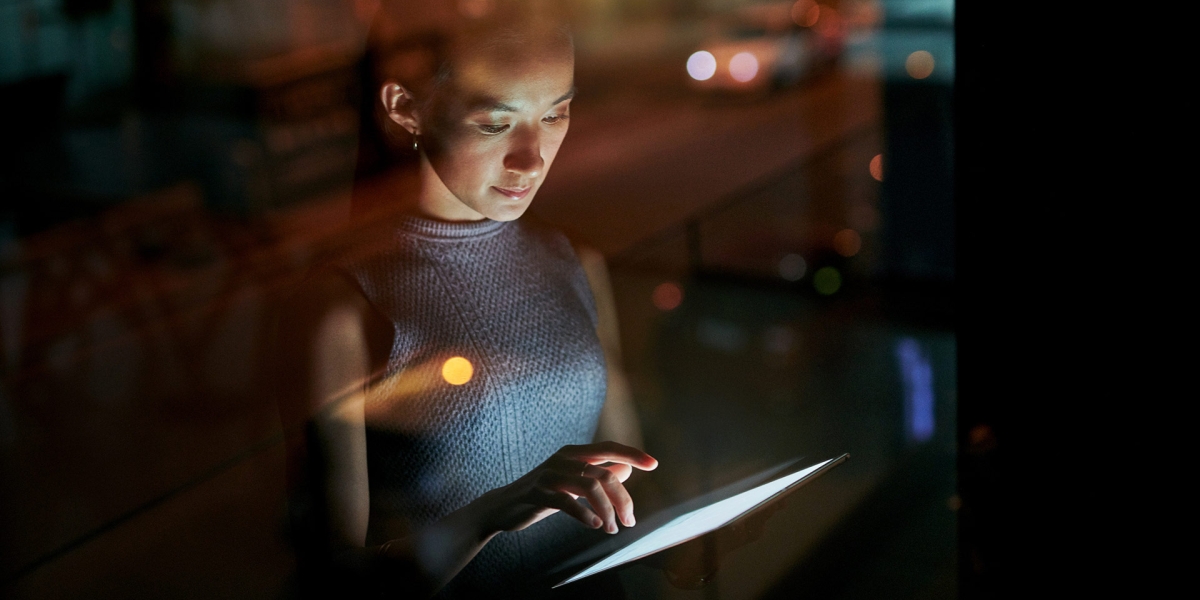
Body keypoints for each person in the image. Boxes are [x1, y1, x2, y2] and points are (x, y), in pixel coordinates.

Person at [271, 4, 656, 599]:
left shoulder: (575, 262)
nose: (532, 158)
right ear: (405, 107)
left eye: (556, 113)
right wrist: (496, 511)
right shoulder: (348, 307)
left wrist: (679, 541)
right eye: (494, 124)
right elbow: (341, 581)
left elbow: (630, 486)